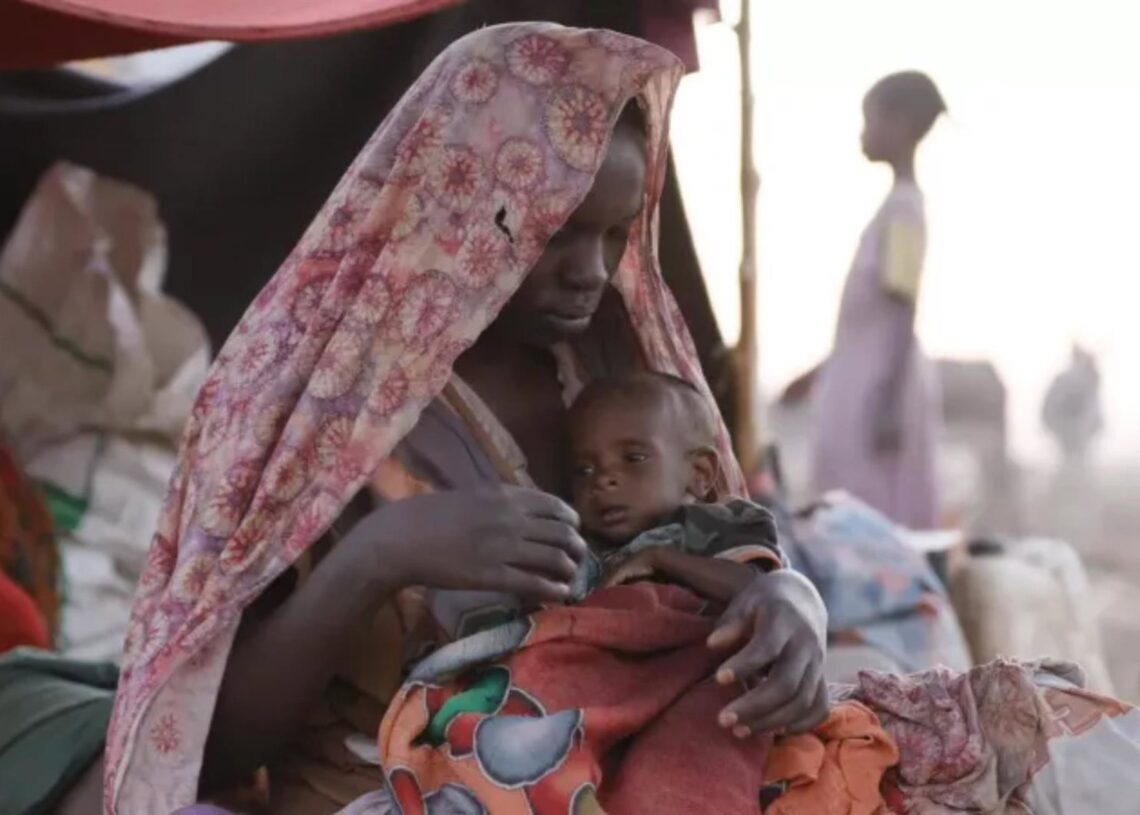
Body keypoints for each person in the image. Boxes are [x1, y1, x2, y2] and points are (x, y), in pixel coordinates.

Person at [103, 24, 828, 813]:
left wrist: (791, 601)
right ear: (455, 200)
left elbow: (722, 550)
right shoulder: (312, 408)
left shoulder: (615, 373)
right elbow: (211, 748)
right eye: (554, 230)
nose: (591, 272)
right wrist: (377, 556)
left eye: (617, 234)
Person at [811, 71, 946, 530]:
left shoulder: (905, 209)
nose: (863, 134)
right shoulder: (894, 207)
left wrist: (889, 401)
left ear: (901, 124)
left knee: (871, 512)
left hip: (878, 388)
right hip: (866, 381)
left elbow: (905, 308)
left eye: (870, 121)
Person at [567, 371, 783, 600]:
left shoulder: (720, 524)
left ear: (699, 473)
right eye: (584, 470)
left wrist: (659, 558)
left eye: (633, 458)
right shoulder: (577, 547)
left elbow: (759, 590)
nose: (602, 479)